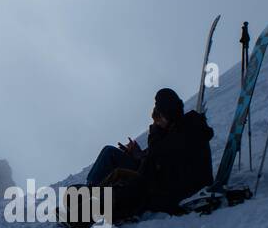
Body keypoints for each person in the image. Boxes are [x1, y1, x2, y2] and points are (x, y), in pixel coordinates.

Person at [86, 88, 214, 219]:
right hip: (155, 174)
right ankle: (90, 192)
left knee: (118, 174)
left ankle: (90, 200)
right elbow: (160, 155)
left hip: (159, 184)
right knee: (110, 153)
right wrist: (137, 154)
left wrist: (154, 131)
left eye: (158, 120)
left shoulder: (184, 128)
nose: (157, 123)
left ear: (166, 114)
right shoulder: (178, 129)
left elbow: (160, 156)